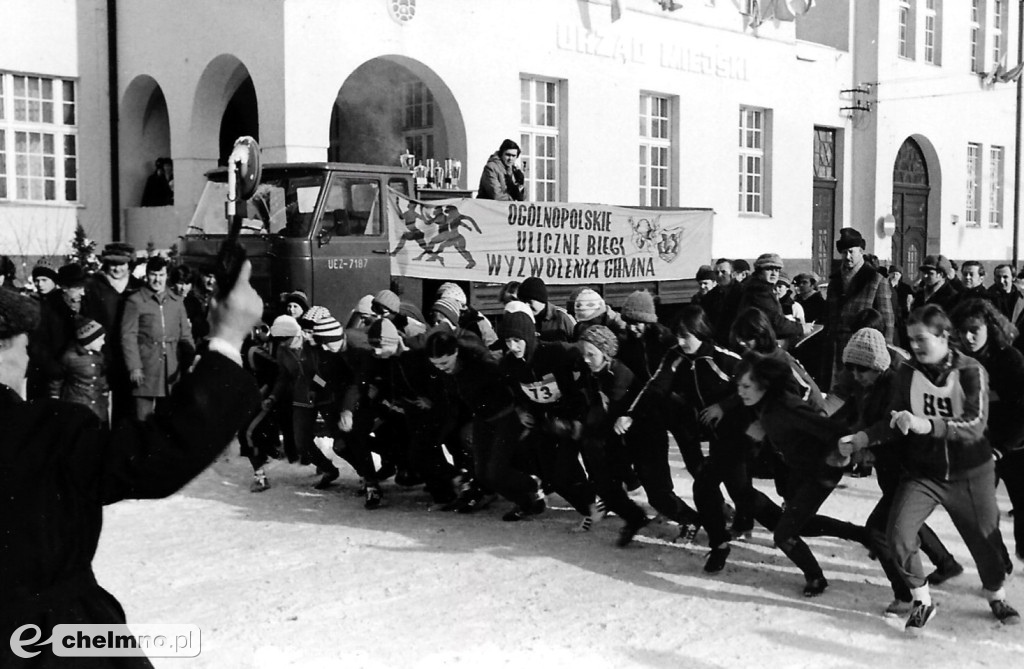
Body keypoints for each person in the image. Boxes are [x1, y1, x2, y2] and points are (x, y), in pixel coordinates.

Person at [1, 261, 262, 667]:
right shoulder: (44, 432)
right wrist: (229, 336)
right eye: (21, 343)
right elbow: (160, 456)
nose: (28, 354)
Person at [839, 304, 1021, 631]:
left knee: (986, 544)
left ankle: (996, 595)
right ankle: (922, 600)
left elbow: (975, 424)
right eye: (911, 339)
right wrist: (862, 438)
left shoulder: (971, 370)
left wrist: (926, 425)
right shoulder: (908, 372)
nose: (916, 346)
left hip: (970, 472)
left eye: (922, 338)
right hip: (925, 472)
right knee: (897, 534)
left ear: (943, 336)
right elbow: (895, 420)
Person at [951, 298, 1024, 563]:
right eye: (962, 331)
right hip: (978, 446)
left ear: (990, 328)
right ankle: (997, 559)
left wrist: (1003, 447)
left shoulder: (1010, 359)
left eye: (974, 330)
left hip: (1015, 446)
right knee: (977, 511)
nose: (968, 337)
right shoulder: (958, 363)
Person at [121, 256, 195, 420]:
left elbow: (185, 334)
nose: (157, 279)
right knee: (143, 418)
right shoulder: (136, 301)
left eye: (161, 275)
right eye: (153, 275)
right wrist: (134, 367)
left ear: (167, 275)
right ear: (147, 275)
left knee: (168, 418)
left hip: (172, 367)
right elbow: (128, 336)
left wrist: (190, 362)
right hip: (147, 364)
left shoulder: (176, 301)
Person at [822, 228, 894, 388]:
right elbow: (828, 316)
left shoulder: (876, 280)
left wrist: (884, 353)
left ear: (861, 251)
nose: (847, 256)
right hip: (837, 349)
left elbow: (888, 322)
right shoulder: (835, 281)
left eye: (851, 252)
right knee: (836, 391)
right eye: (844, 252)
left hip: (863, 350)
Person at [81, 241, 143, 423]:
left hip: (129, 357)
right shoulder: (93, 286)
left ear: (129, 265)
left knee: (127, 411)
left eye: (121, 264)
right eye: (112, 264)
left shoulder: (137, 287)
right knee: (98, 408)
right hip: (101, 355)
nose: (116, 269)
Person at [517, 276, 576, 342]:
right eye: (523, 302)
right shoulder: (520, 318)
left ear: (541, 300)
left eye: (530, 301)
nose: (526, 305)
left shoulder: (562, 317)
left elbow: (579, 345)